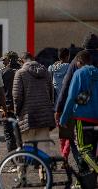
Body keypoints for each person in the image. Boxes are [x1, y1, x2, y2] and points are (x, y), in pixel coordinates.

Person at [13, 53, 55, 183]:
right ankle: (44, 176)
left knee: (26, 149)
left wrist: (17, 112)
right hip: (44, 116)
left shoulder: (20, 73)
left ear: (22, 61)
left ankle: (22, 178)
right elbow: (51, 94)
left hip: (28, 117)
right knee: (44, 149)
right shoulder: (46, 72)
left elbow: (17, 97)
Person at [60, 50, 98, 189]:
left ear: (79, 62)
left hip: (83, 117)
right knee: (92, 152)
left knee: (83, 150)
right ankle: (82, 183)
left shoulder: (79, 73)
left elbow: (71, 98)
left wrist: (64, 118)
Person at [48, 48, 77, 167]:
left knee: (62, 133)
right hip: (69, 105)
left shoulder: (51, 68)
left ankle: (63, 155)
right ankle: (65, 156)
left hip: (57, 107)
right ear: (68, 56)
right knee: (70, 133)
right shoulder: (72, 67)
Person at [0, 51, 21, 172]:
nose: (2, 62)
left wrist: (1, 106)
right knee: (21, 135)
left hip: (6, 108)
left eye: (4, 60)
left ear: (9, 60)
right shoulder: (22, 71)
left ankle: (14, 163)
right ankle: (22, 161)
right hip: (21, 109)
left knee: (9, 136)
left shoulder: (2, 72)